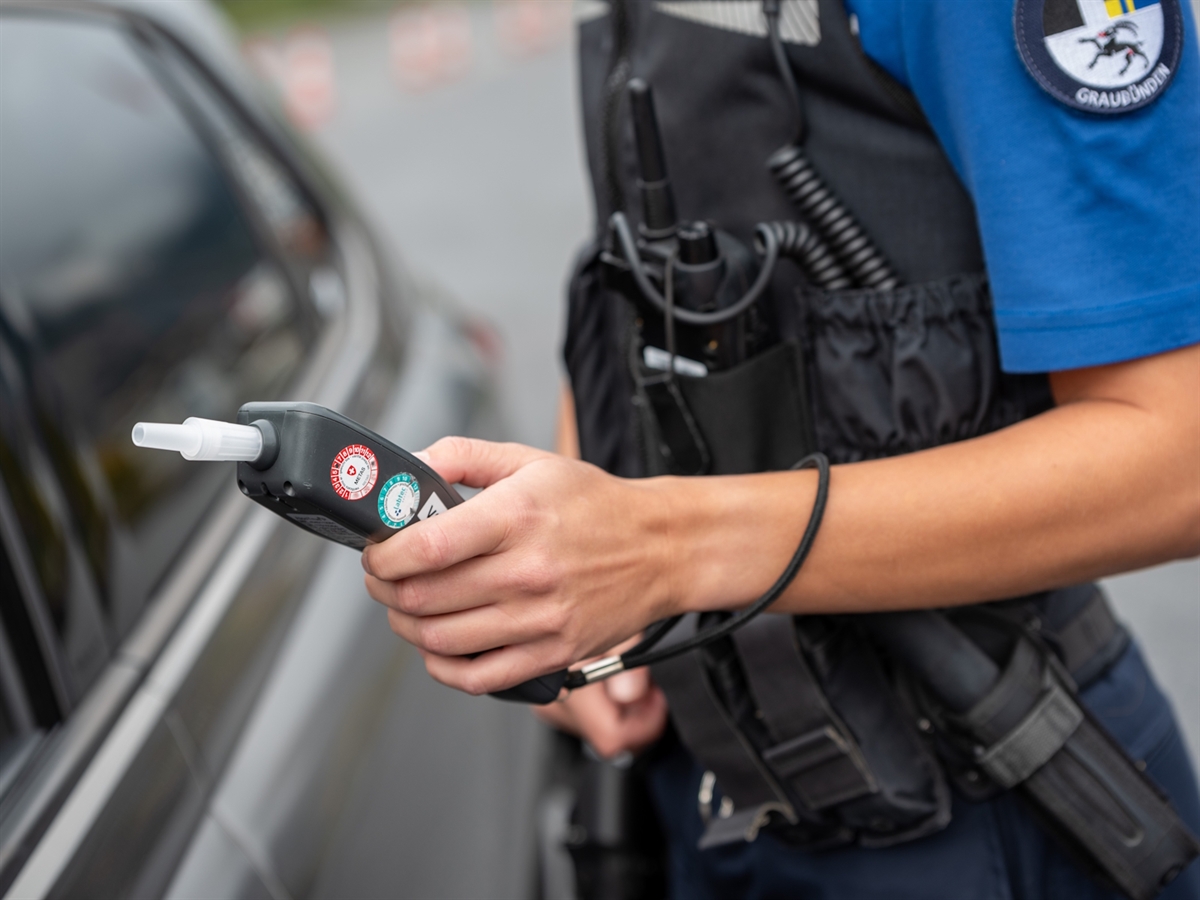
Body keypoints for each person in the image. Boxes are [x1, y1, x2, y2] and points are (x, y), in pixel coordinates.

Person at [361, 0, 1200, 896]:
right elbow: (650, 242)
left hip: (988, 796)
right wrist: (586, 545)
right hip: (715, 789)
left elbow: (1177, 456)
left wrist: (662, 547)